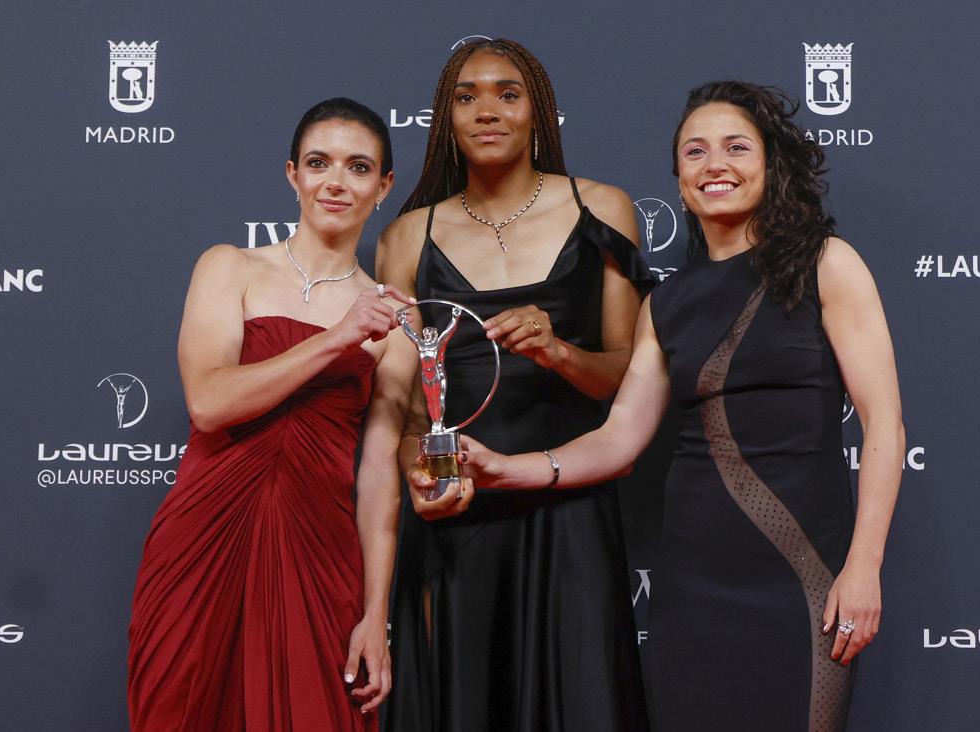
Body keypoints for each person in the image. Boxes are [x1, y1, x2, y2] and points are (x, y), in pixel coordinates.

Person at [458, 81, 905, 732]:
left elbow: (884, 422)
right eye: (695, 151)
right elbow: (618, 440)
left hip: (802, 578)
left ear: (770, 162)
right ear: (679, 177)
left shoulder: (826, 265)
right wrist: (505, 469)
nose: (715, 164)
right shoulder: (664, 304)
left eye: (736, 147)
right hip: (691, 586)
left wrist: (863, 566)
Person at [376, 38, 653, 732]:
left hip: (570, 502)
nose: (486, 110)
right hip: (461, 510)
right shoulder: (407, 237)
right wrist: (422, 476)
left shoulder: (602, 209)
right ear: (446, 119)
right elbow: (409, 408)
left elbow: (624, 379)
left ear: (539, 112)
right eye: (466, 96)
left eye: (508, 93)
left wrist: (559, 352)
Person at [128, 98, 417, 731]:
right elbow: (209, 403)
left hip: (319, 552)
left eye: (358, 167)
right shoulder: (229, 266)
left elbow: (378, 477)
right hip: (203, 540)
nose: (335, 182)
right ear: (292, 174)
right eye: (318, 163)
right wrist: (338, 338)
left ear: (384, 186)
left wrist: (375, 616)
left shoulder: (396, 318)